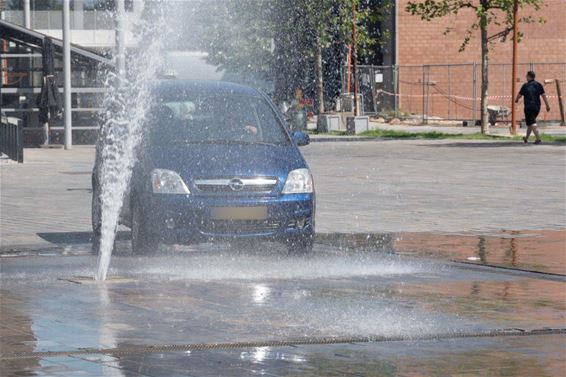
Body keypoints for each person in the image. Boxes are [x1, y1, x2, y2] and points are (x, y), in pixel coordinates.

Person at [515, 71, 550, 144]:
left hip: (529, 107)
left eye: (526, 76)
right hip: (537, 107)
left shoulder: (525, 85)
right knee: (530, 123)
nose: (525, 77)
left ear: (528, 76)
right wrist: (547, 105)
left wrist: (516, 99)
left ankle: (538, 139)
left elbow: (519, 95)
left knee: (532, 122)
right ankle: (526, 138)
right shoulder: (538, 85)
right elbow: (543, 95)